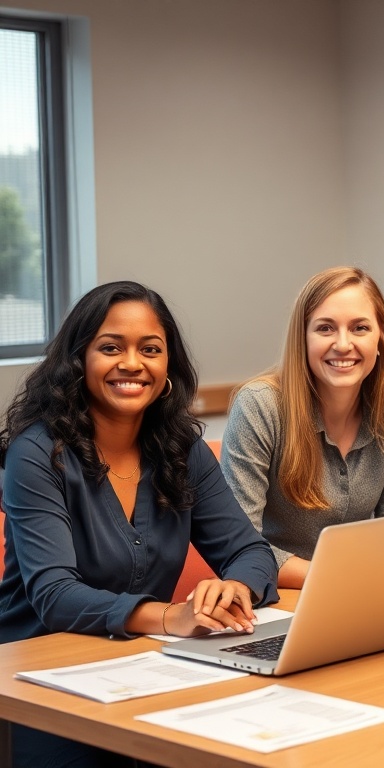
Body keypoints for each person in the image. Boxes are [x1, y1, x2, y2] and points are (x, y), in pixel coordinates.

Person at [0, 281, 278, 768]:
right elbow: (55, 596)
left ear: (167, 365)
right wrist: (173, 617)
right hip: (37, 682)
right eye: (111, 348)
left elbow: (251, 552)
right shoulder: (37, 453)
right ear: (78, 360)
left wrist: (235, 588)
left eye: (150, 349)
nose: (132, 363)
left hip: (142, 669)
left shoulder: (181, 448)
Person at [221, 267, 384, 588]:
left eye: (360, 328)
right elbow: (238, 546)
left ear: (380, 336)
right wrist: (340, 577)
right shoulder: (260, 405)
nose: (343, 344)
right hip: (277, 596)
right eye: (325, 328)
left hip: (362, 594)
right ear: (302, 338)